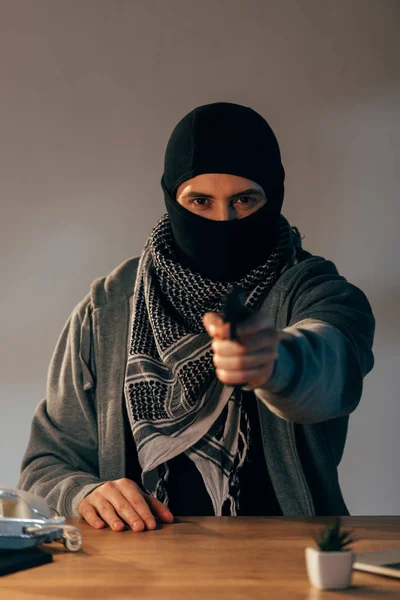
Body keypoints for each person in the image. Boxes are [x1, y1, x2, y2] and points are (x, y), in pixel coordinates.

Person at [18, 102, 375, 533]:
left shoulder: (318, 291)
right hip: (137, 574)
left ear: (274, 196)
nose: (223, 220)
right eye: (200, 201)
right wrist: (83, 492)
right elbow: (46, 463)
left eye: (245, 200)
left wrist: (279, 363)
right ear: (172, 198)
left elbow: (331, 365)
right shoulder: (106, 310)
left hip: (290, 563)